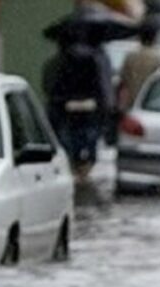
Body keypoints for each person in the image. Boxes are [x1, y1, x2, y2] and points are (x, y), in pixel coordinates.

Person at [43, 30, 109, 181]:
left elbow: (51, 87)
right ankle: (83, 170)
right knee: (87, 139)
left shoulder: (57, 62)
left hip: (66, 109)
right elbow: (99, 86)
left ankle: (75, 169)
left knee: (69, 140)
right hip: (86, 108)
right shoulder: (92, 60)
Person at [118, 24, 160, 110]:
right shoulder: (158, 59)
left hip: (131, 102)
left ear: (140, 38)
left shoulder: (131, 57)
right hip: (150, 103)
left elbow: (123, 81)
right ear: (154, 39)